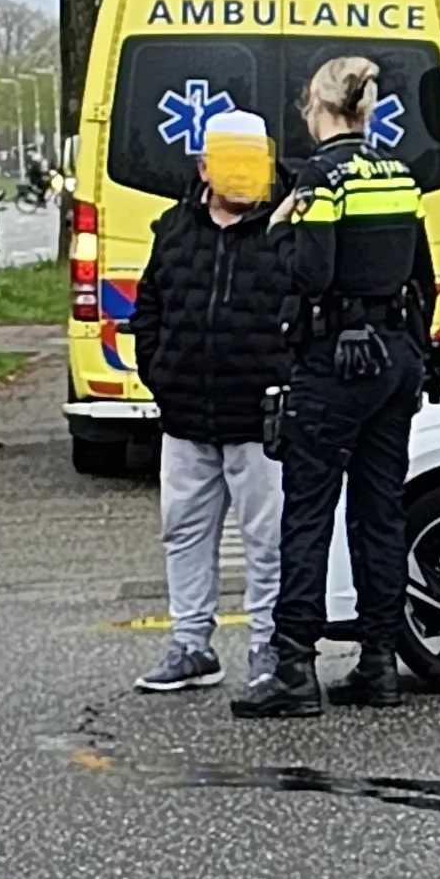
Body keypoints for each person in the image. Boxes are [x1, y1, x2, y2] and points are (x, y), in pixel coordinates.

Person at [238, 55, 434, 718]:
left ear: (315, 110)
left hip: (333, 363)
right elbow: (424, 277)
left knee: (309, 512)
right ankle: (379, 661)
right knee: (380, 513)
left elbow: (313, 272)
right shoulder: (400, 174)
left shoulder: (322, 177)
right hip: (395, 357)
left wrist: (281, 229)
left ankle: (294, 668)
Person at [126, 109, 291, 695]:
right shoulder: (174, 227)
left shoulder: (289, 228)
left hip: (261, 417)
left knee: (267, 537)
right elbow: (148, 306)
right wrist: (160, 372)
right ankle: (191, 644)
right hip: (187, 414)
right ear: (203, 166)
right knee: (185, 530)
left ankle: (268, 646)